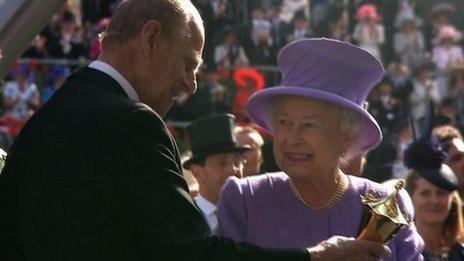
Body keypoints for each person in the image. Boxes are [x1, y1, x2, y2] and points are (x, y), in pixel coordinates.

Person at [0, 1, 391, 260]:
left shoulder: (61, 107)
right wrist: (317, 256)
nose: (190, 85)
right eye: (188, 64)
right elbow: (192, 256)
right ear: (150, 37)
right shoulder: (130, 123)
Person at [216, 38, 424, 260]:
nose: (292, 138)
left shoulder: (387, 206)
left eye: (309, 125)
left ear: (345, 137)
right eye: (284, 122)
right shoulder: (244, 200)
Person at [404, 107, 464, 260]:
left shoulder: (460, 253)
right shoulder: (398, 254)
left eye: (441, 193)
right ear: (410, 198)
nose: (434, 200)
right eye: (425, 193)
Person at [183, 114, 249, 232]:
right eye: (221, 163)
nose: (233, 170)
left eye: (237, 161)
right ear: (197, 172)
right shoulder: (184, 221)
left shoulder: (256, 214)